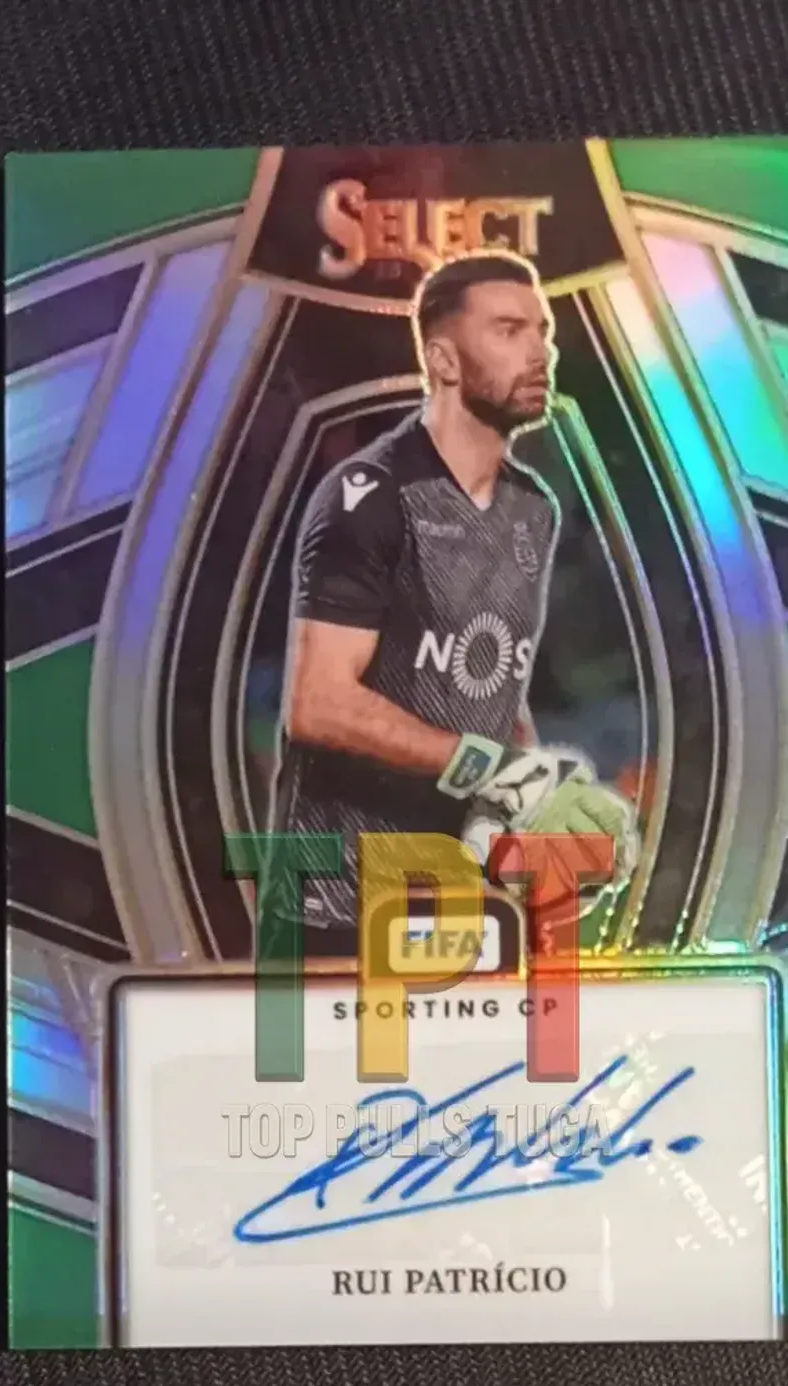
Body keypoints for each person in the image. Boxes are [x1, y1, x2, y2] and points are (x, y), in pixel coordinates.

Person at [263, 251, 638, 952]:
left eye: (543, 331)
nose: (541, 352)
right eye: (509, 331)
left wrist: (541, 791)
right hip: (337, 905)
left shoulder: (534, 508)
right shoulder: (369, 495)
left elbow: (490, 688)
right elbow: (317, 703)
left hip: (460, 902)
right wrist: (492, 768)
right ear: (443, 360)